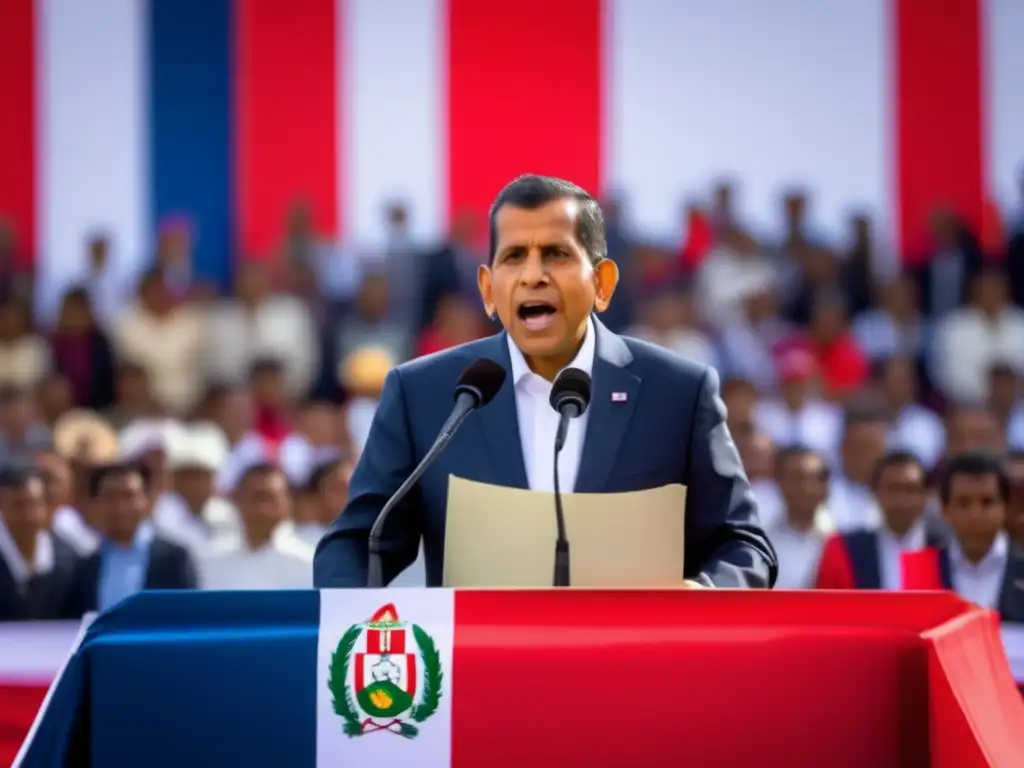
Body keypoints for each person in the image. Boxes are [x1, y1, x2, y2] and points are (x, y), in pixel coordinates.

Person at [314, 174, 777, 588]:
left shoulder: (677, 391)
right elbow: (358, 544)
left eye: (556, 254)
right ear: (488, 289)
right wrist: (352, 617)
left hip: (631, 673)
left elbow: (743, 545)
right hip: (481, 673)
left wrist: (701, 594)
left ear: (602, 284)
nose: (533, 276)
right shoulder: (425, 394)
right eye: (514, 257)